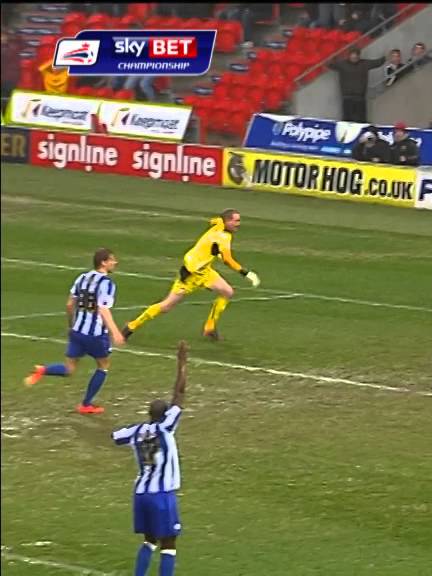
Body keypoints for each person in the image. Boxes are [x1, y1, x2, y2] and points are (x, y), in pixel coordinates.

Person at [123, 210, 260, 342]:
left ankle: (210, 327)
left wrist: (213, 247)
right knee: (166, 306)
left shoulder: (219, 223)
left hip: (205, 271)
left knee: (227, 292)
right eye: (236, 221)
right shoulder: (223, 237)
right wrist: (246, 273)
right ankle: (131, 326)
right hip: (190, 275)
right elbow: (227, 260)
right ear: (228, 221)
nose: (238, 224)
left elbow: (214, 221)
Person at [113, 340, 188, 576]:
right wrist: (182, 363)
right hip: (161, 495)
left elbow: (115, 436)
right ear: (165, 415)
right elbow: (179, 394)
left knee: (149, 541)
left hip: (141, 494)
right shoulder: (166, 427)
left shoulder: (135, 431)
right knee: (169, 543)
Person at [24, 248, 125, 415]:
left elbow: (70, 304)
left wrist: (71, 325)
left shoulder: (82, 278)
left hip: (77, 331)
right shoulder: (107, 284)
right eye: (112, 260)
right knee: (103, 365)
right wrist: (115, 332)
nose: (115, 262)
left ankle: (43, 370)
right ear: (103, 262)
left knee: (69, 368)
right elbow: (103, 309)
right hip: (95, 335)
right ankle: (86, 404)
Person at [328, 48, 386, 123]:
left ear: (359, 56)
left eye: (356, 55)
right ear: (349, 55)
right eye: (352, 55)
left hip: (360, 98)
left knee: (361, 121)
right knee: (347, 121)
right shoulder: (342, 64)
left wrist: (385, 57)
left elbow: (377, 62)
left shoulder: (365, 63)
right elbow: (329, 64)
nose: (354, 57)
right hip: (347, 98)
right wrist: (334, 57)